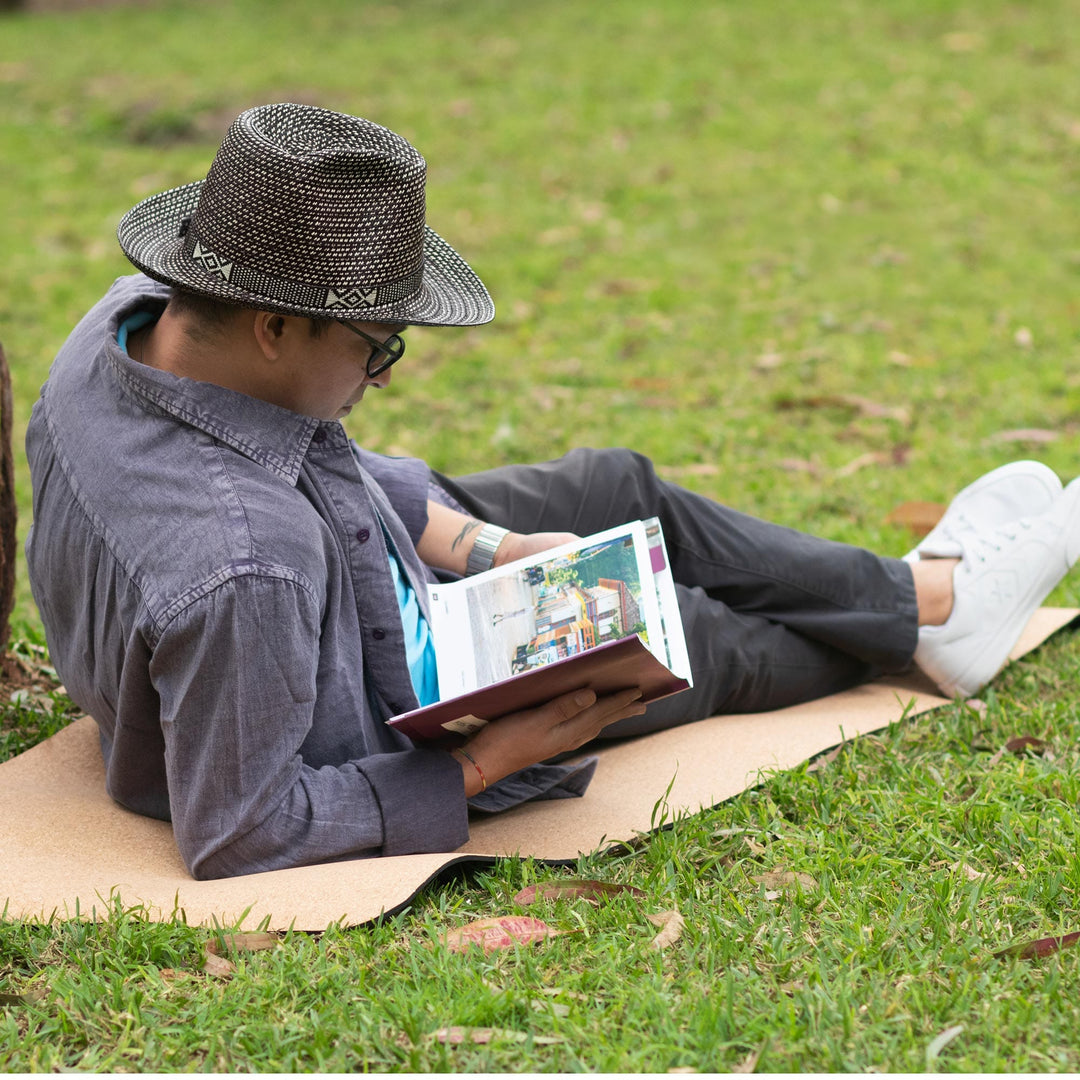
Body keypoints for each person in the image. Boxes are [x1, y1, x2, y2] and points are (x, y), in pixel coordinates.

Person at [24, 103, 1080, 880]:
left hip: (360, 575)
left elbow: (308, 468)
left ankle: (921, 600)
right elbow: (244, 829)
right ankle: (930, 623)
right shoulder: (243, 566)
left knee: (612, 487)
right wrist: (489, 764)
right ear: (272, 326)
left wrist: (477, 547)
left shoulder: (130, 327)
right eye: (379, 348)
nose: (387, 373)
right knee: (685, 637)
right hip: (389, 699)